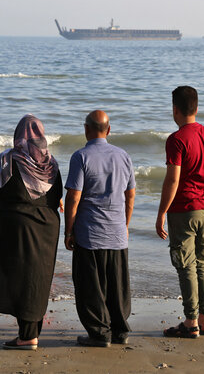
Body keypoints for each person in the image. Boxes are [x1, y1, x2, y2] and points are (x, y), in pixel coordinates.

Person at [0, 114, 63, 351]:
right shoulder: (52, 164)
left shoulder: (7, 160)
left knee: (19, 278)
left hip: (15, 226)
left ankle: (27, 336)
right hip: (47, 227)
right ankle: (30, 333)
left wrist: (10, 208)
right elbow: (56, 197)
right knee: (37, 279)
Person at [64, 110, 136, 347]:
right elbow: (130, 194)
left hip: (90, 233)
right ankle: (119, 331)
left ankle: (99, 333)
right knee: (117, 286)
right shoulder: (123, 156)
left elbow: (73, 197)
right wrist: (125, 225)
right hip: (116, 233)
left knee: (90, 287)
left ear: (86, 129)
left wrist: (68, 231)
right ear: (109, 129)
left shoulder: (81, 156)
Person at [155, 86, 204, 339]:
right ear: (196, 107)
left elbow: (173, 180)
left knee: (185, 266)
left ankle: (191, 321)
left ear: (175, 109)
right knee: (202, 263)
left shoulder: (177, 139)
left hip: (184, 208)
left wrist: (161, 212)